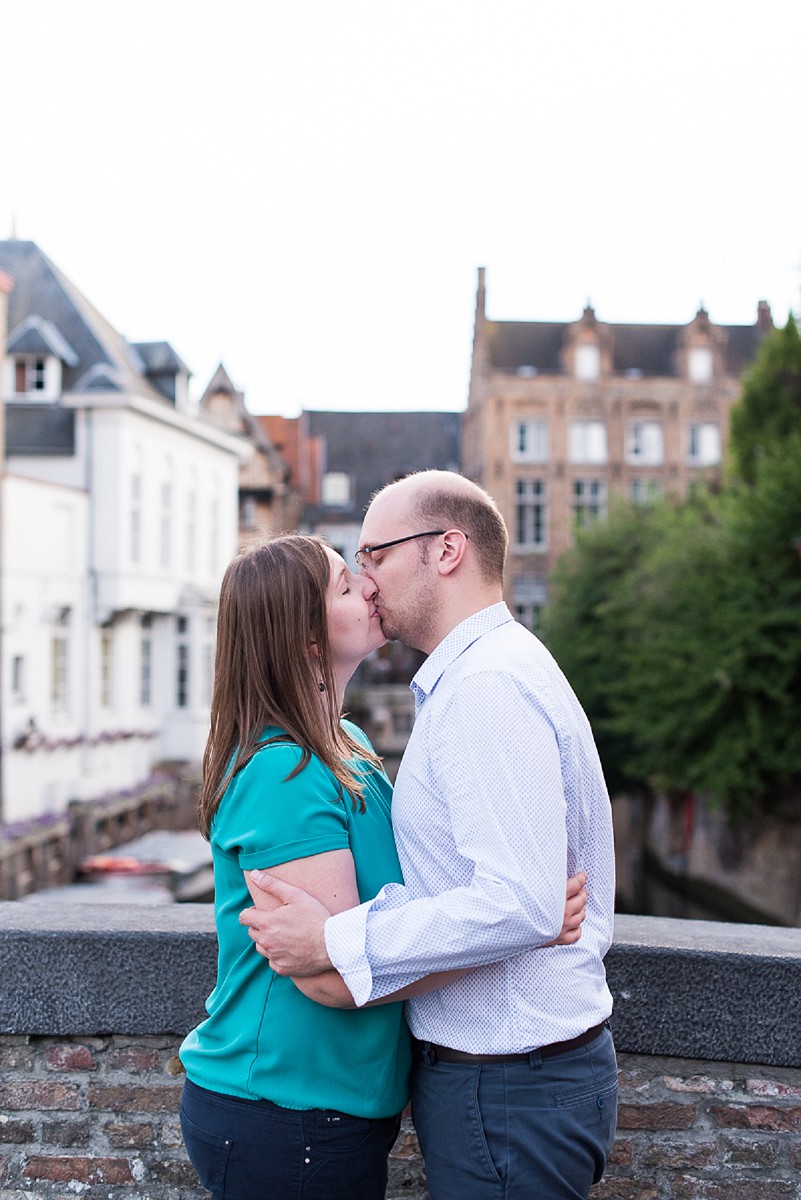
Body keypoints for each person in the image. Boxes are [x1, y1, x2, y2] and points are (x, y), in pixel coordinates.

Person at [241, 472, 619, 1200]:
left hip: (508, 1081)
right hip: (515, 1081)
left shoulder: (485, 688)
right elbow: (525, 900)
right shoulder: (488, 672)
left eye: (374, 555)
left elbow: (519, 902)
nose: (366, 581)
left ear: (446, 549)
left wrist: (334, 943)